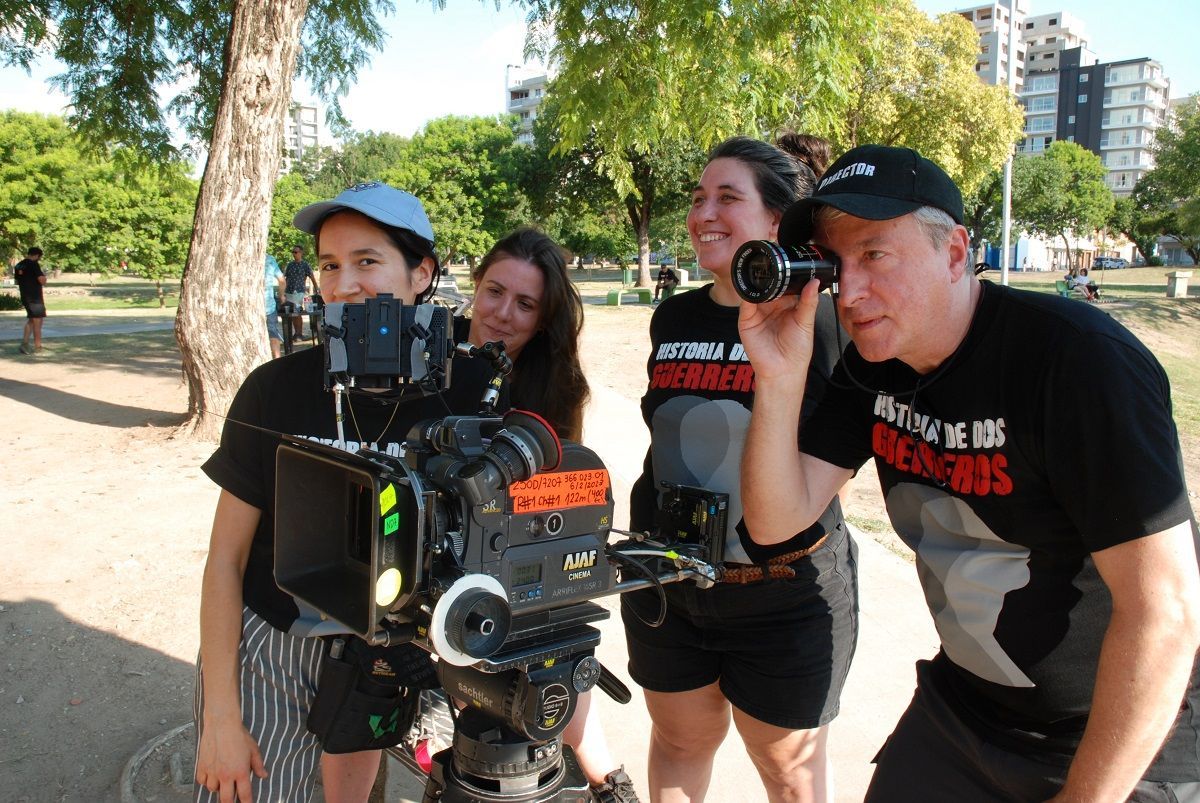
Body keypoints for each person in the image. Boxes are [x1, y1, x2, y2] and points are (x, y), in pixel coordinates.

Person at [739, 144, 1200, 802]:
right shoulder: (875, 361)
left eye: (875, 254)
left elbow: (1168, 610)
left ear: (955, 252)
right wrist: (778, 378)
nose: (852, 291)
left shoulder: (1077, 363)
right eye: (838, 264)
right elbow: (777, 520)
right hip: (965, 710)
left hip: (1116, 731)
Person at [193, 182, 498, 803]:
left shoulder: (472, 389)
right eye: (330, 264)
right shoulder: (275, 388)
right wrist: (221, 717)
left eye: (367, 261)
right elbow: (225, 560)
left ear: (422, 273)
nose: (343, 284)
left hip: (408, 650)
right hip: (277, 646)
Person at [622, 136, 858, 803]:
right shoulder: (673, 316)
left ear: (779, 222)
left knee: (790, 775)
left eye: (728, 197)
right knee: (679, 743)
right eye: (699, 198)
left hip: (782, 592)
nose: (703, 213)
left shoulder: (824, 319)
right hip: (667, 579)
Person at [464, 228, 637, 802]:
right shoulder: (426, 362)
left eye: (526, 304)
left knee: (556, 647)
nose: (503, 314)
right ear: (475, 287)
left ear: (542, 320)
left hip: (518, 560)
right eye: (494, 292)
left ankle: (607, 782)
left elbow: (563, 499)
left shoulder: (552, 387)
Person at [14, 246, 47, 354]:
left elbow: (17, 281)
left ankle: (25, 343)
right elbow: (42, 280)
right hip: (35, 297)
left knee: (32, 320)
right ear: (37, 256)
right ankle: (38, 347)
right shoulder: (33, 264)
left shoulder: (19, 265)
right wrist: (44, 278)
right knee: (38, 321)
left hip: (25, 295)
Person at [284, 245, 318, 339]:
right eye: (293, 252)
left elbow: (312, 277)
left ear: (301, 253)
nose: (294, 254)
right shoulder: (290, 265)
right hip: (289, 291)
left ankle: (299, 333)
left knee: (297, 312)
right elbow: (286, 278)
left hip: (299, 291)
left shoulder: (305, 264)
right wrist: (283, 290)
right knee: (291, 313)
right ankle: (295, 333)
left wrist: (317, 288)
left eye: (296, 252)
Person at [264, 253, 285, 358]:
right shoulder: (269, 259)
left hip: (251, 306)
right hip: (268, 305)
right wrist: (281, 296)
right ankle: (277, 359)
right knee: (273, 333)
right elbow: (282, 280)